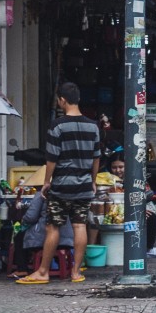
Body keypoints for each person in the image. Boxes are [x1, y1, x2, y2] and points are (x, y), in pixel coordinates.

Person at [18, 82, 100, 285]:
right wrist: (93, 181)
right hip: (83, 185)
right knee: (80, 225)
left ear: (62, 100)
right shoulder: (93, 126)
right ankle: (75, 272)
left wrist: (47, 182)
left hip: (62, 185)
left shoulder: (57, 125)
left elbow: (52, 158)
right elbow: (96, 156)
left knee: (53, 227)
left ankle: (43, 272)